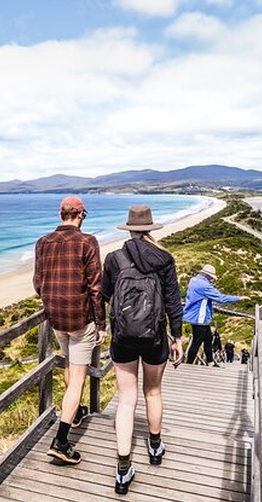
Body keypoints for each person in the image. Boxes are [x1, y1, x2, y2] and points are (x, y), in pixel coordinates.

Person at [101, 205, 183, 495]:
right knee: (153, 392)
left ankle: (123, 468)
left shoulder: (113, 258)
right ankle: (155, 446)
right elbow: (173, 302)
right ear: (150, 228)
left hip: (122, 338)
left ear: (129, 228)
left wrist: (103, 327)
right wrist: (178, 338)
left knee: (126, 400)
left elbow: (104, 296)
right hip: (155, 338)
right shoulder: (164, 258)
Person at [34, 196, 107, 465]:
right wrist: (101, 324)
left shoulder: (43, 242)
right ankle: (61, 441)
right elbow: (95, 289)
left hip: (56, 319)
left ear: (60, 214)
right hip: (81, 320)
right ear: (81, 215)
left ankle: (74, 414)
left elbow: (38, 284)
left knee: (68, 367)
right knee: (77, 378)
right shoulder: (88, 242)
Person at [182, 264, 246, 367]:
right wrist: (238, 298)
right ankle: (188, 364)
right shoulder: (205, 286)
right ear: (208, 276)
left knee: (208, 338)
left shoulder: (193, 280)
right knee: (196, 342)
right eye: (211, 277)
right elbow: (220, 298)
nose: (212, 279)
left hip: (193, 315)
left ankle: (211, 362)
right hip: (200, 317)